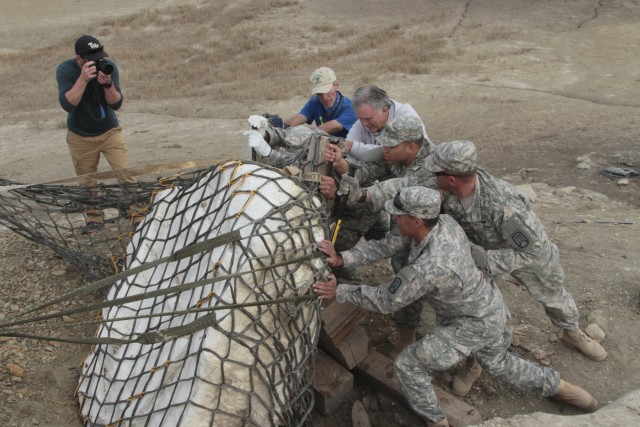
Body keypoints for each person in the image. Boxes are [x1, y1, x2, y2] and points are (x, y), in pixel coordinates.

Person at [312, 186, 599, 427]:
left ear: (416, 220)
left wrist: (341, 291)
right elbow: (389, 244)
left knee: (409, 364)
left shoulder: (433, 264)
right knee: (502, 364)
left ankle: (436, 421)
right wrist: (344, 259)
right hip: (487, 306)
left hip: (472, 322)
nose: (393, 217)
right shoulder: (442, 223)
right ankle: (571, 393)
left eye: (398, 215)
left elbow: (386, 299)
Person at [341, 140, 608, 395]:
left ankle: (571, 331)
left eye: (437, 171)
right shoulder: (441, 185)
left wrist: (485, 261)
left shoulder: (504, 203)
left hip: (521, 253)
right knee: (480, 304)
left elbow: (532, 250)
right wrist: (363, 194)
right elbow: (406, 185)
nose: (431, 174)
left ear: (453, 178)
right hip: (478, 252)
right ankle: (476, 364)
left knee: (551, 293)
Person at [56, 35, 137, 235]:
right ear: (79, 59)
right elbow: (68, 104)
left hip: (109, 131)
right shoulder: (65, 70)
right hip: (80, 135)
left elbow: (116, 103)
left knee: (125, 174)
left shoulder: (108, 66)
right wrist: (83, 79)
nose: (96, 61)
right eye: (90, 58)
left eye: (98, 56)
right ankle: (94, 219)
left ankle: (138, 215)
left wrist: (108, 84)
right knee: (87, 181)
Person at [248, 67, 357, 138]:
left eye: (327, 91)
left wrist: (302, 131)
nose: (324, 97)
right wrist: (271, 124)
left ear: (336, 85)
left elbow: (333, 127)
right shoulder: (315, 102)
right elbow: (293, 123)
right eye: (319, 93)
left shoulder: (351, 108)